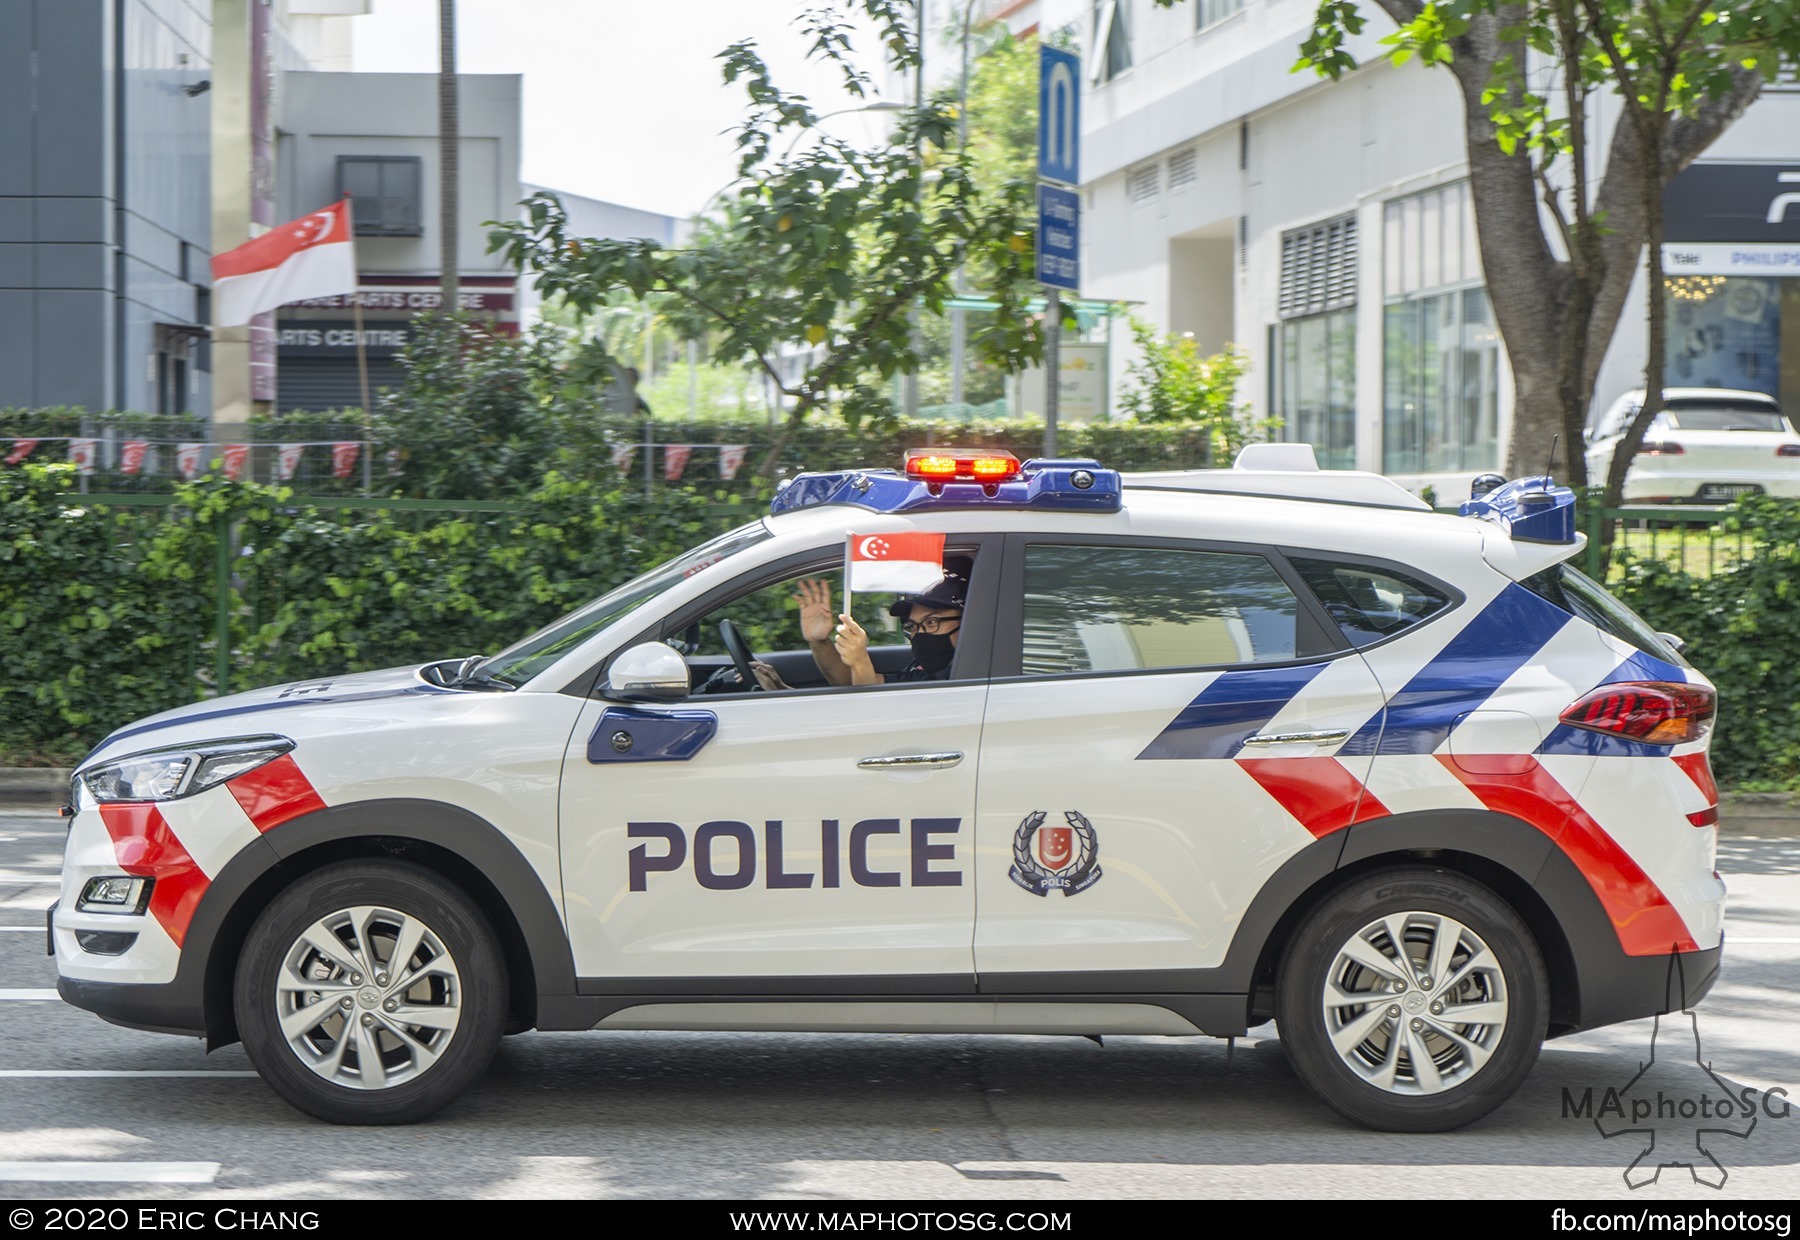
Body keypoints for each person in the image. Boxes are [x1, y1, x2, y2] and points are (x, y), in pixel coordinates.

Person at [750, 563, 968, 690]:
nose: (920, 634)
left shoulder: (960, 679)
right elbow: (853, 682)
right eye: (913, 626)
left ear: (967, 621)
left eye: (931, 622)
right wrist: (818, 641)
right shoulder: (924, 669)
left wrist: (861, 660)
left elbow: (871, 709)